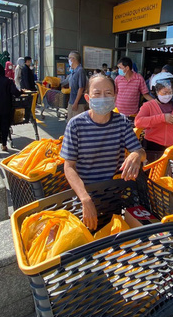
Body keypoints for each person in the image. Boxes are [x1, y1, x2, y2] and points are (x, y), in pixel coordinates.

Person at [60, 74, 146, 230]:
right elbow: (69, 166)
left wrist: (136, 154)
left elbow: (140, 152)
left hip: (113, 196)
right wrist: (85, 199)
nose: (103, 98)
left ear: (115, 97)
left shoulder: (122, 122)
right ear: (87, 98)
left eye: (108, 93)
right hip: (84, 195)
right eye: (97, 93)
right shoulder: (75, 125)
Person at [135, 72, 173, 162]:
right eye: (164, 93)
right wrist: (163, 118)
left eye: (170, 92)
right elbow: (138, 122)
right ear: (155, 91)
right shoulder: (148, 105)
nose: (168, 95)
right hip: (154, 147)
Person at [64, 51, 88, 121]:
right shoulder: (74, 71)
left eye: (69, 58)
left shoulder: (80, 71)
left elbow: (81, 88)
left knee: (77, 122)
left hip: (78, 103)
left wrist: (76, 102)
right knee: (70, 122)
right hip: (72, 101)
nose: (68, 60)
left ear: (73, 59)